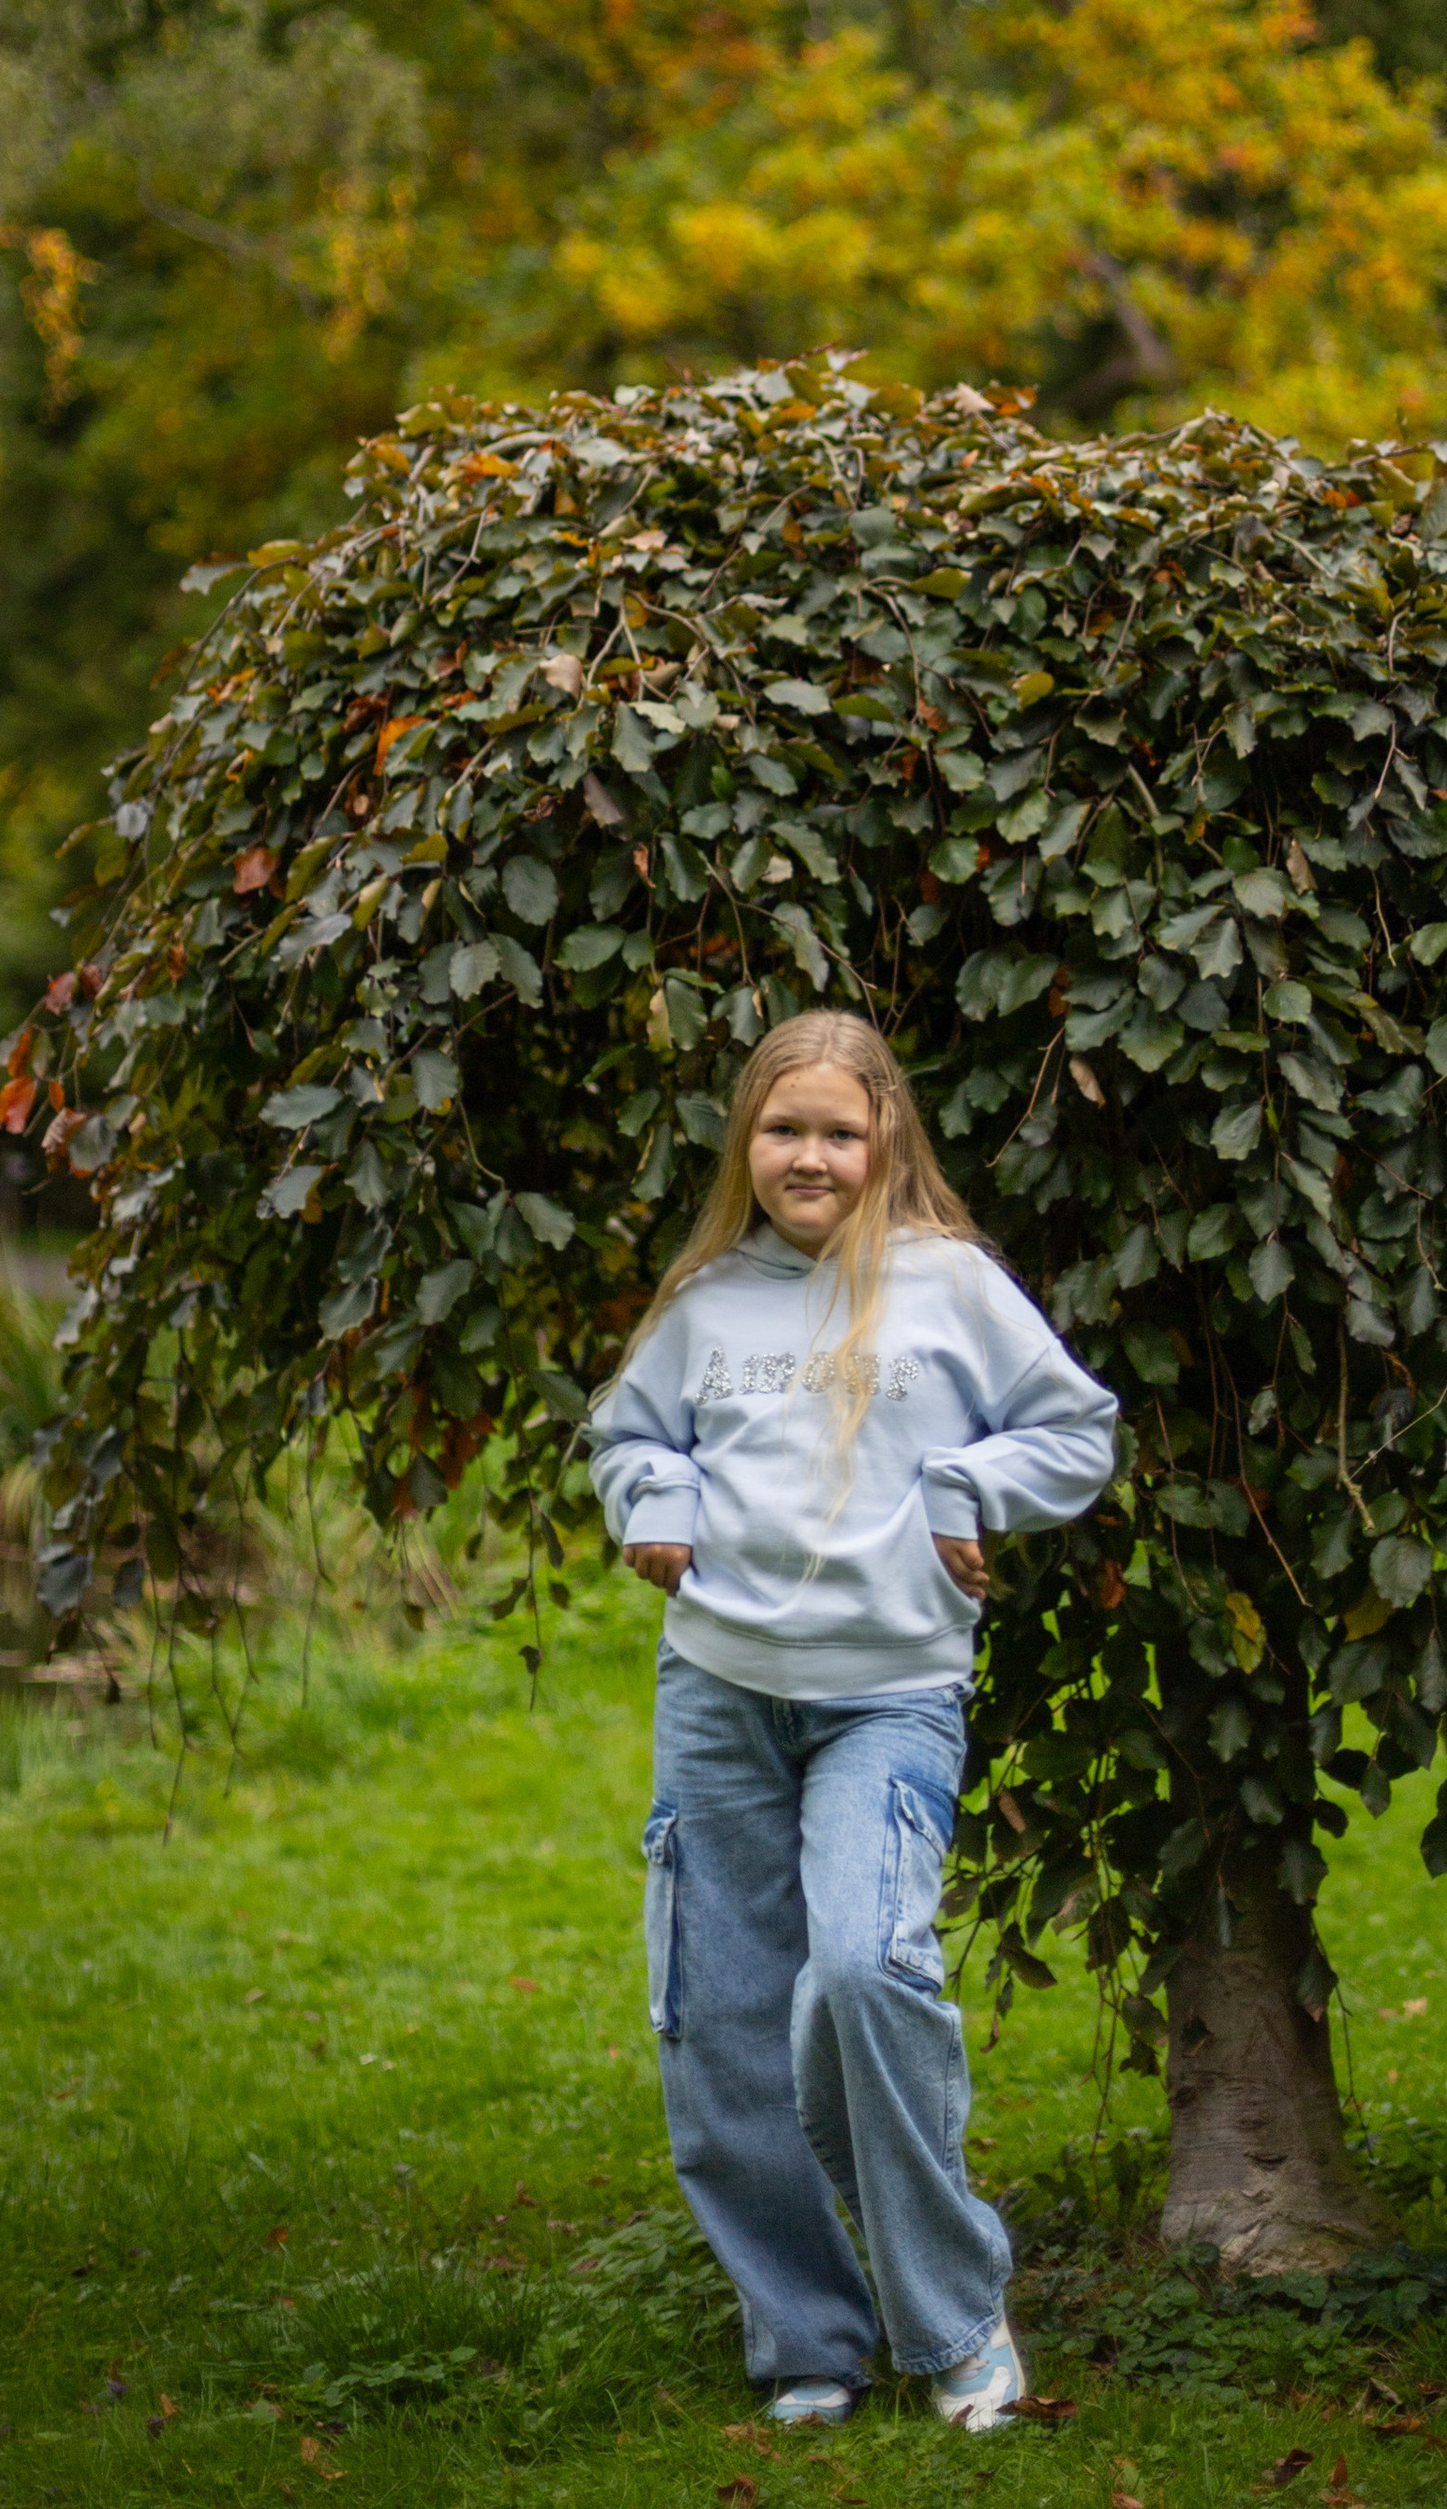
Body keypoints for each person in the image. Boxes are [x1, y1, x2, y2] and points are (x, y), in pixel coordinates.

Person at [584, 1007, 1119, 2433]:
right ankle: (809, 2335)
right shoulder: (706, 1300)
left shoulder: (951, 1288)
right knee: (715, 2027)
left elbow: (1077, 1428)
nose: (807, 1156)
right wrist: (660, 1502)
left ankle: (952, 2322)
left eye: (836, 1129)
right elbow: (630, 1435)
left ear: (885, 1139)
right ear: (744, 1143)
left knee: (869, 1974)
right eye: (781, 1129)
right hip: (720, 1698)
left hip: (888, 1700)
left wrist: (962, 1490)